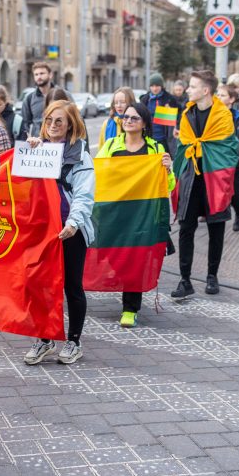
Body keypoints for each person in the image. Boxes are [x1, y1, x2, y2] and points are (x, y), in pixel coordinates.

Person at [23, 99, 95, 364]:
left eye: (59, 121)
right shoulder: (35, 150)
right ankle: (45, 338)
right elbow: (22, 188)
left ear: (70, 125)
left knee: (71, 286)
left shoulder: (80, 155)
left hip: (69, 231)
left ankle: (74, 341)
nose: (52, 126)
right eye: (48, 121)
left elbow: (84, 195)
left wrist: (73, 223)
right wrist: (28, 153)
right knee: (38, 285)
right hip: (41, 230)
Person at [96, 101, 175, 327]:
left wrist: (168, 169)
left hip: (142, 214)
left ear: (144, 124)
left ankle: (130, 308)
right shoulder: (111, 145)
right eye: (125, 117)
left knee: (136, 259)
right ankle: (122, 280)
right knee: (114, 256)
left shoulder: (155, 149)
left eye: (134, 118)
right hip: (115, 212)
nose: (128, 121)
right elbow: (98, 174)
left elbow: (168, 185)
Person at [171, 70, 238, 299]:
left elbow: (228, 150)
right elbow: (183, 145)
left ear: (205, 90)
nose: (188, 90)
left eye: (192, 86)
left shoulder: (222, 116)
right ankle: (185, 279)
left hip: (214, 178)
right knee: (185, 228)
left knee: (215, 228)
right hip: (191, 178)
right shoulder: (187, 114)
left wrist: (204, 151)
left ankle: (212, 276)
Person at [216, 85, 239, 232]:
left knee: (232, 194)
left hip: (235, 165)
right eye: (217, 95)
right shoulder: (211, 116)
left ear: (232, 99)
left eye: (222, 95)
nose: (218, 98)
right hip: (216, 164)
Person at [18, 62, 65, 140]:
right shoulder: (29, 98)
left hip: (60, 141)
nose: (39, 77)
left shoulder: (62, 95)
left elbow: (76, 119)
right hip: (39, 143)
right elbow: (25, 124)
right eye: (36, 74)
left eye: (42, 73)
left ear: (50, 75)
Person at [140, 73, 180, 153]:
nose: (155, 89)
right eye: (152, 86)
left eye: (157, 86)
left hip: (164, 137)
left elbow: (179, 115)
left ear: (161, 86)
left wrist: (171, 110)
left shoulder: (170, 99)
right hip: (148, 136)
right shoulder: (144, 99)